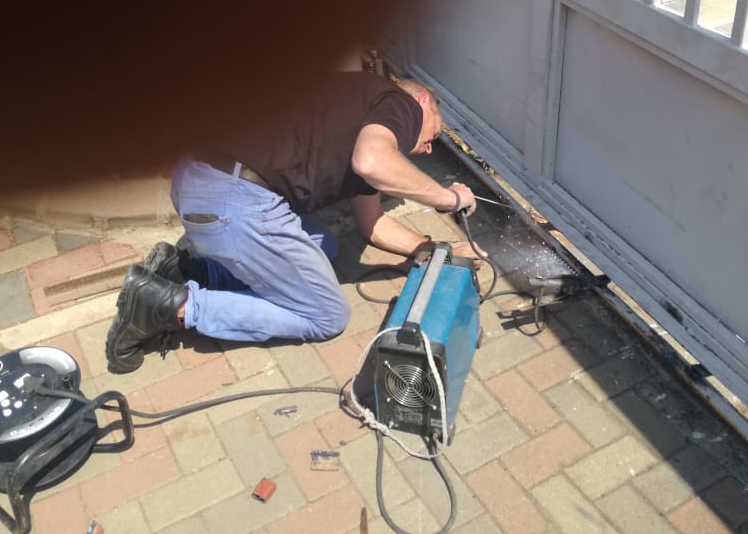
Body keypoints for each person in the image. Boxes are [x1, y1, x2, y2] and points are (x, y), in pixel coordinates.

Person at [105, 72, 481, 373]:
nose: (428, 149)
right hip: (232, 202)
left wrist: (436, 252)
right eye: (434, 134)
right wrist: (448, 198)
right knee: (327, 316)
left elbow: (372, 224)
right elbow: (372, 161)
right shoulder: (400, 104)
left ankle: (190, 270)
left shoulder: (362, 104)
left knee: (325, 244)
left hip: (197, 181)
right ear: (423, 101)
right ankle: (168, 306)